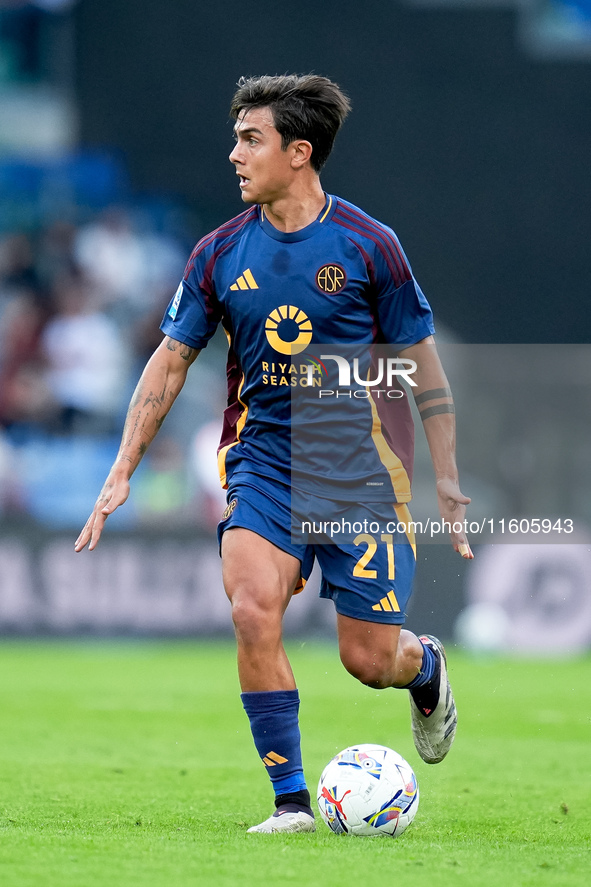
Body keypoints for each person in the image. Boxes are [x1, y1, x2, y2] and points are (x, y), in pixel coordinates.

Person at [75, 74, 473, 835]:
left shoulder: (368, 245)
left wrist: (447, 477)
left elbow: (423, 368)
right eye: (235, 138)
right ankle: (290, 802)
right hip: (262, 466)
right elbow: (169, 362)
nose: (233, 154)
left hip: (361, 477)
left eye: (249, 139)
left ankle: (423, 666)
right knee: (253, 609)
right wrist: (122, 465)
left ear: (298, 152)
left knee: (368, 660)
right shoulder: (218, 252)